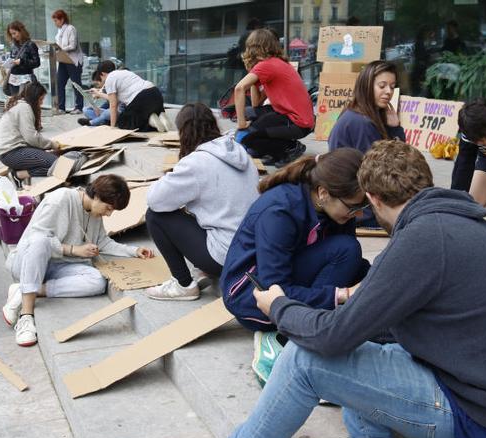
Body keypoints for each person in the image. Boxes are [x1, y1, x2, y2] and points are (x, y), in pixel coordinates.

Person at [173, 139, 486, 438]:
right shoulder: (458, 223)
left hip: (477, 418)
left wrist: (281, 308)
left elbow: (331, 339)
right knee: (362, 343)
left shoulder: (421, 241)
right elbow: (362, 329)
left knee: (307, 359)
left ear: (373, 198)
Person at [220, 148, 370, 385]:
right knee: (346, 251)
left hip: (286, 276)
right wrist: (342, 294)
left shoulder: (332, 208)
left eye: (364, 206)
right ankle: (288, 340)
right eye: (353, 207)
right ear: (323, 193)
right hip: (253, 296)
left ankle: (307, 328)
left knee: (363, 270)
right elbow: (275, 288)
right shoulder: (279, 210)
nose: (359, 214)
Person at [1, 177, 154, 347]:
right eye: (108, 208)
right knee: (40, 241)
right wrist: (73, 250)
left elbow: (102, 242)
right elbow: (36, 238)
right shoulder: (60, 199)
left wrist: (133, 251)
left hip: (58, 266)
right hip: (27, 262)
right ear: (96, 196)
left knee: (97, 280)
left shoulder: (93, 211)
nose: (109, 214)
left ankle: (29, 290)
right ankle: (26, 316)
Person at [144, 103, 260, 301]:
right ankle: (202, 270)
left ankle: (183, 284)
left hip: (225, 256)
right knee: (204, 207)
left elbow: (155, 200)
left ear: (184, 132)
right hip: (253, 251)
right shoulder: (240, 153)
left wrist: (170, 177)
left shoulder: (197, 162)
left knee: (155, 216)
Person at [235, 28, 313, 166]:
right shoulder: (277, 63)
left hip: (296, 122)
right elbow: (256, 104)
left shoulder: (267, 65)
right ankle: (279, 149)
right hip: (294, 117)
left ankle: (289, 149)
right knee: (250, 114)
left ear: (254, 47)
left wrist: (241, 124)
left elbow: (239, 88)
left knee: (248, 139)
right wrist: (253, 78)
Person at [328, 61, 406, 152]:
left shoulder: (364, 113)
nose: (389, 91)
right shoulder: (361, 121)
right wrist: (395, 130)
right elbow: (382, 163)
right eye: (382, 86)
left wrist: (394, 128)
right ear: (366, 86)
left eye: (392, 87)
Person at [0, 81, 62, 178]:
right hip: (12, 152)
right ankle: (17, 175)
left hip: (10, 152)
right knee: (59, 164)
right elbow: (31, 137)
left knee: (53, 159)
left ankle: (18, 171)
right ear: (34, 98)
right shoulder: (24, 107)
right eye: (40, 99)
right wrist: (51, 144)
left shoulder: (19, 104)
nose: (41, 103)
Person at [89, 60, 166, 131]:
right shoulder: (124, 72)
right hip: (155, 93)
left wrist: (113, 127)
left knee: (124, 122)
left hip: (141, 98)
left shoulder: (109, 79)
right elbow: (115, 99)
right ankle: (161, 117)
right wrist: (100, 94)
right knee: (142, 114)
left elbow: (113, 105)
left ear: (102, 74)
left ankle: (150, 122)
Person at [51, 9, 84, 114]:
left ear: (62, 19)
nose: (55, 23)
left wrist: (60, 49)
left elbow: (73, 46)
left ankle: (79, 107)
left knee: (76, 84)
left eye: (56, 20)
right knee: (59, 83)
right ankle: (61, 107)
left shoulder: (71, 29)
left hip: (73, 60)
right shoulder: (59, 32)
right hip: (63, 60)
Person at [4, 20, 40, 96]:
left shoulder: (30, 45)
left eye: (14, 33)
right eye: (11, 34)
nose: (13, 36)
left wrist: (22, 61)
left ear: (21, 31)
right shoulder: (13, 45)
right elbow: (11, 58)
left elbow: (37, 63)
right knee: (15, 103)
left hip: (25, 79)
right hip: (13, 79)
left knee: (25, 102)